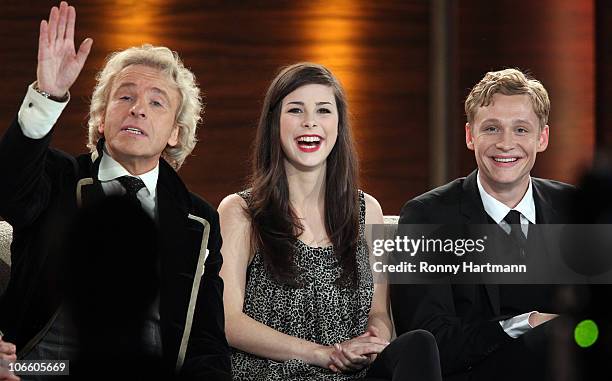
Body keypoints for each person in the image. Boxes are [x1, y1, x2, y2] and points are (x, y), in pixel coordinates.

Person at [0, 2, 230, 379]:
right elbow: (9, 191)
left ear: (175, 132)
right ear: (101, 119)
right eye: (125, 97)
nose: (138, 108)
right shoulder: (59, 177)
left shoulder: (199, 218)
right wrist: (47, 94)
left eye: (157, 102)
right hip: (46, 368)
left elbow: (206, 339)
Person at [218, 62, 442, 381]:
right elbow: (228, 321)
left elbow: (379, 313)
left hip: (353, 374)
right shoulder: (241, 211)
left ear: (338, 124)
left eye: (323, 111)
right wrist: (323, 354)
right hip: (277, 373)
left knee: (418, 344)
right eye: (295, 110)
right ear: (274, 124)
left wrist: (372, 341)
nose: (310, 122)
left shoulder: (368, 210)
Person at [390, 68, 576, 381]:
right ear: (470, 135)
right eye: (491, 129)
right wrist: (525, 325)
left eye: (521, 130)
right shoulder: (426, 217)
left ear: (542, 138)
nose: (506, 143)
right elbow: (430, 343)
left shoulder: (575, 209)